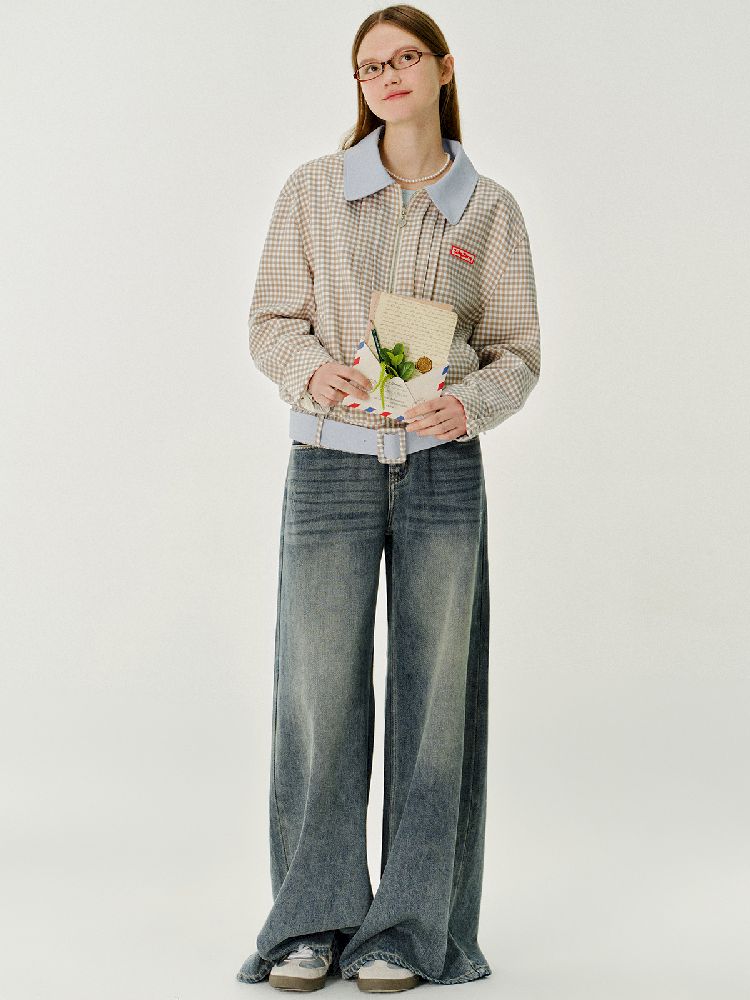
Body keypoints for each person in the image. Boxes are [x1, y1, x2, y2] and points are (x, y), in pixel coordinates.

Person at [236, 4, 541, 992]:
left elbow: (518, 354)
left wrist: (469, 404)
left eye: (406, 57)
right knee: (319, 693)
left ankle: (408, 929)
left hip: (442, 470)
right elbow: (271, 321)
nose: (388, 75)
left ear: (443, 69)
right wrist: (311, 371)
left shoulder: (488, 210)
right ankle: (311, 921)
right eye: (370, 65)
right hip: (330, 465)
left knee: (435, 701)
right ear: (359, 84)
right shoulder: (313, 191)